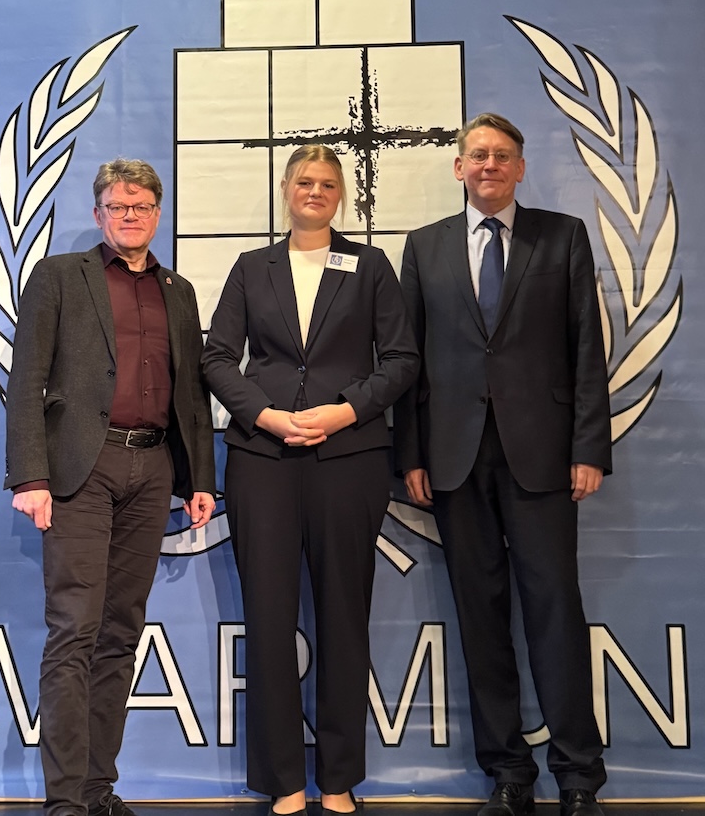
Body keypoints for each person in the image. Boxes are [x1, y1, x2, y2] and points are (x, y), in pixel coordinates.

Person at [393, 114, 611, 816]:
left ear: (520, 167)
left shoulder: (562, 236)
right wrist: (411, 454)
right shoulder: (424, 246)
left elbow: (586, 348)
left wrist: (588, 447)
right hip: (453, 460)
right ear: (458, 167)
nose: (489, 165)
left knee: (555, 611)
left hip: (542, 455)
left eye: (502, 155)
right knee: (480, 618)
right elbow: (408, 359)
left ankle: (578, 776)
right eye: (478, 155)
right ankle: (508, 774)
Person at [202, 145, 419, 816]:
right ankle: (284, 783)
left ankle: (338, 780)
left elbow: (402, 358)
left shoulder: (370, 266)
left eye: (327, 183)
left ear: (340, 193)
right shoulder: (251, 267)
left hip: (349, 457)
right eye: (304, 181)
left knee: (343, 619)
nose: (315, 191)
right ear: (285, 189)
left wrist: (346, 410)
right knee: (268, 621)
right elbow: (216, 357)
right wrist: (265, 415)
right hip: (262, 459)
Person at [5, 158, 216, 816]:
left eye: (142, 206)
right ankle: (66, 801)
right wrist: (31, 475)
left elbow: (190, 391)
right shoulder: (59, 276)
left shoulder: (178, 290)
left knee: (122, 633)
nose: (130, 216)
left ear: (158, 214)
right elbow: (26, 378)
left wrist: (199, 479)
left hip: (152, 471)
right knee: (75, 630)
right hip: (80, 470)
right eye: (118, 206)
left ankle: (98, 791)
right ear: (98, 214)